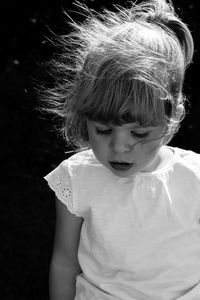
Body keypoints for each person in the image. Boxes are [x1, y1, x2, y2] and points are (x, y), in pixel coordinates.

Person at [43, 0, 200, 299]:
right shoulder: (76, 178)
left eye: (139, 133)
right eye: (102, 130)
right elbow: (64, 262)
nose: (119, 147)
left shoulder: (194, 177)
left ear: (172, 117)